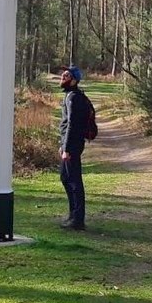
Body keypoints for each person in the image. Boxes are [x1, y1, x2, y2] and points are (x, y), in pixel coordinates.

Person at [58, 65, 94, 230]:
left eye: (66, 75)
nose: (62, 77)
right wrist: (62, 145)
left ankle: (78, 220)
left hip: (73, 145)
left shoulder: (73, 98)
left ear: (73, 80)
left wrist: (66, 149)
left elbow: (72, 124)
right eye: (62, 75)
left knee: (74, 181)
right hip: (70, 144)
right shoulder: (71, 96)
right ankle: (73, 215)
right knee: (66, 178)